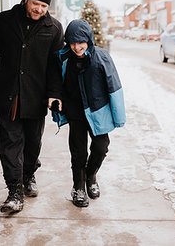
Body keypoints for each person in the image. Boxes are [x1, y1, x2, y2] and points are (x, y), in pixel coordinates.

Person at [0, 0, 64, 213]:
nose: (39, 9)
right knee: (10, 144)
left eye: (43, 5)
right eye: (35, 3)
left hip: (36, 96)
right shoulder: (5, 20)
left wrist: (54, 95)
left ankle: (29, 174)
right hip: (8, 94)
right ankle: (14, 191)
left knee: (33, 143)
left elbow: (55, 66)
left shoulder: (54, 28)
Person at [52, 19, 126, 207]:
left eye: (81, 42)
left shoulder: (101, 57)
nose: (77, 47)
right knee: (78, 151)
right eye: (73, 43)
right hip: (75, 111)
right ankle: (78, 186)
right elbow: (56, 83)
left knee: (101, 146)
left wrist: (118, 116)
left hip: (97, 110)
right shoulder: (63, 58)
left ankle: (91, 176)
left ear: (89, 39)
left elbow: (114, 86)